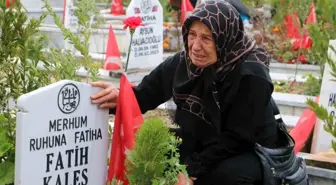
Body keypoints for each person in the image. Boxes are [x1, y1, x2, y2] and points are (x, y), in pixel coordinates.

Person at [90, 1, 279, 185]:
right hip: (203, 145)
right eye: (192, 35)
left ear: (225, 38)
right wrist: (120, 97)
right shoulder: (183, 63)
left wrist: (191, 171)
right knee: (153, 158)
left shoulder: (251, 74)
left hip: (249, 150)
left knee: (225, 176)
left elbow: (237, 138)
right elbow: (145, 94)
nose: (196, 46)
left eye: (207, 38)